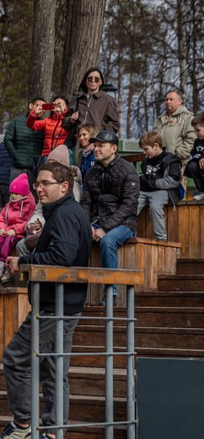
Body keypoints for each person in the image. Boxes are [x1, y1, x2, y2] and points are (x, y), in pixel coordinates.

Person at [0, 161, 91, 439]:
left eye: (45, 183)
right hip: (61, 303)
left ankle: (24, 424)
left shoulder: (65, 215)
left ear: (64, 186)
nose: (39, 188)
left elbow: (62, 255)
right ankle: (52, 435)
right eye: (38, 183)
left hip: (55, 305)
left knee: (16, 358)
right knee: (53, 371)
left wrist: (24, 262)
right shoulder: (66, 212)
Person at [80, 130, 139, 296]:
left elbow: (129, 205)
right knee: (75, 236)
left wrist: (104, 228)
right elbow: (86, 202)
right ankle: (74, 290)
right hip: (97, 220)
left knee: (108, 241)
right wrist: (86, 225)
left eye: (101, 146)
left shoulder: (128, 170)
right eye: (95, 145)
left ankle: (110, 292)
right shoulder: (91, 173)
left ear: (113, 149)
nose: (96, 149)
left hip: (124, 223)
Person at [136, 131, 182, 242]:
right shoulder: (145, 162)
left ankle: (161, 239)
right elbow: (144, 179)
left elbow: (174, 181)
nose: (144, 152)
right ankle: (129, 233)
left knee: (155, 207)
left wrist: (153, 183)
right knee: (130, 205)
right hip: (144, 191)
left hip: (162, 190)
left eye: (146, 149)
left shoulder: (171, 160)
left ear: (156, 146)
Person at [0, 174, 33, 285]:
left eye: (16, 193)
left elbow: (29, 222)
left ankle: (2, 266)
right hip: (7, 231)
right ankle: (1, 267)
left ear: (23, 193)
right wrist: (0, 229)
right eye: (11, 193)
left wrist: (16, 230)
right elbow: (1, 218)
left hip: (19, 233)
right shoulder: (8, 205)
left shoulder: (30, 205)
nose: (12, 196)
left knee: (9, 241)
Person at [64, 67, 120, 137]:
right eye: (90, 79)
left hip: (96, 142)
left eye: (96, 79)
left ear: (100, 82)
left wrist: (99, 131)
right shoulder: (77, 100)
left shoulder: (108, 100)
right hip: (77, 141)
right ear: (85, 81)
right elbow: (64, 124)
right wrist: (71, 119)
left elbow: (115, 125)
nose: (93, 81)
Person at [4, 99, 44, 185]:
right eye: (38, 105)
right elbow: (7, 139)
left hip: (35, 168)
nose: (40, 108)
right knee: (16, 193)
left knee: (34, 196)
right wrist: (15, 155)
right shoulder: (17, 121)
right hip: (18, 167)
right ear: (31, 106)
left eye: (43, 106)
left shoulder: (44, 124)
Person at [154, 90, 195, 167]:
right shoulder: (159, 119)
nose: (168, 102)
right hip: (159, 163)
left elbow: (191, 141)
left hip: (178, 163)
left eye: (171, 99)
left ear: (180, 101)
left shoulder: (188, 118)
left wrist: (176, 155)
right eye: (166, 99)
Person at [26, 96, 69, 162]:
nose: (58, 106)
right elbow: (31, 125)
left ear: (66, 107)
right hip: (46, 155)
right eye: (56, 104)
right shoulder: (47, 121)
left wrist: (63, 113)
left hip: (60, 157)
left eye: (61, 104)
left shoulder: (69, 122)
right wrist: (34, 114)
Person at [187, 113, 204, 200]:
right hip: (200, 168)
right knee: (191, 165)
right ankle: (202, 191)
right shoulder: (197, 141)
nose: (196, 133)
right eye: (194, 130)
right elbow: (193, 154)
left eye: (198, 130)